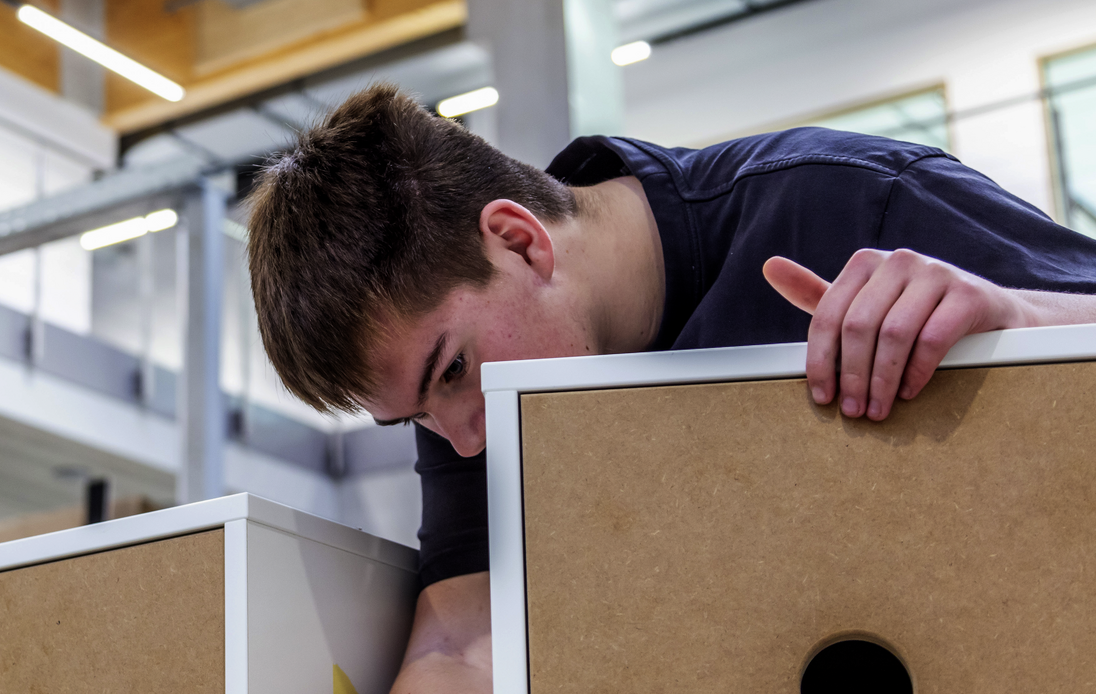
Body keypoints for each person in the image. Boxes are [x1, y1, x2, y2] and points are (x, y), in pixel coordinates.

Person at [244, 83, 1096, 692]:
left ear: (518, 240)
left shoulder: (849, 201)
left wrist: (1016, 320)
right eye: (417, 417)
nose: (462, 437)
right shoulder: (467, 399)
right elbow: (466, 641)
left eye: (450, 374)